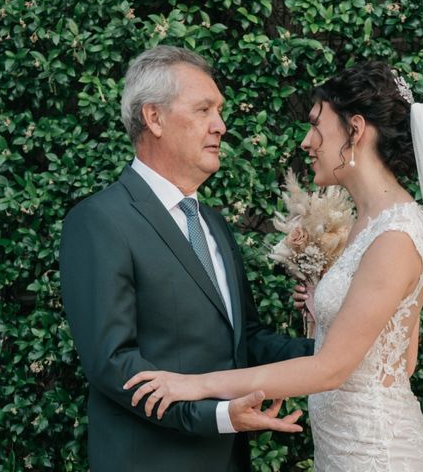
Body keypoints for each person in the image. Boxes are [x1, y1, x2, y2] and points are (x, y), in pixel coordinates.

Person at [124, 62, 423, 471]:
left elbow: (329, 370)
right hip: (344, 447)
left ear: (355, 130)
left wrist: (194, 384)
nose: (308, 142)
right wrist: (323, 318)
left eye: (316, 126)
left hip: (377, 453)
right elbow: (400, 358)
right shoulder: (368, 222)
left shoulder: (396, 234)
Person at [59, 45, 313, 472]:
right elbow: (114, 364)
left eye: (220, 111)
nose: (221, 125)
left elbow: (244, 338)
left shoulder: (212, 223)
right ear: (153, 118)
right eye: (203, 110)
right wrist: (216, 416)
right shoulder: (98, 221)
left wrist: (331, 351)